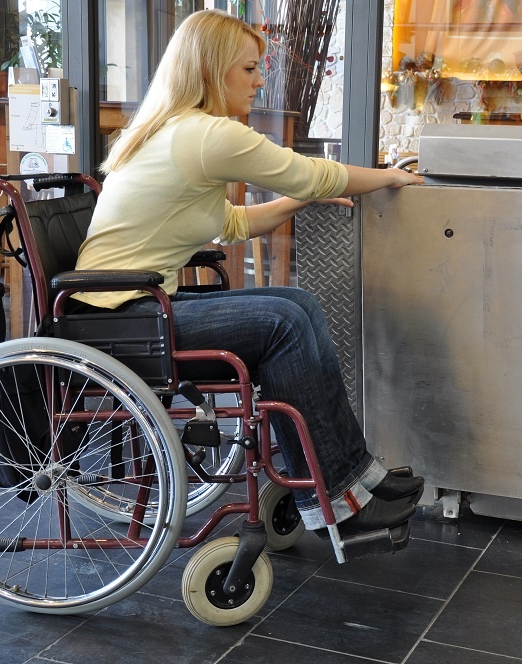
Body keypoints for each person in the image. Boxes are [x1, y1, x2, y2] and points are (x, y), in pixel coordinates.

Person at [71, 9, 425, 535]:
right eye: (250, 69)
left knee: (295, 306)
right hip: (123, 315)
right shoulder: (206, 136)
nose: (261, 81)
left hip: (129, 307)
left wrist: (299, 201)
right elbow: (312, 172)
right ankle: (339, 495)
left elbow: (232, 223)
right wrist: (387, 176)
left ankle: (351, 476)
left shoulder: (176, 132)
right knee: (283, 321)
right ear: (212, 71)